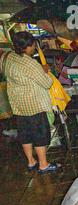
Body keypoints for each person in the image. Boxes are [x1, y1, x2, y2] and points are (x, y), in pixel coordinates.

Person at [3, 31, 59, 174]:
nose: (34, 47)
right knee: (39, 134)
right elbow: (47, 83)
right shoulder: (30, 63)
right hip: (34, 105)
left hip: (18, 105)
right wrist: (45, 71)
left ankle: (31, 161)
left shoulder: (10, 58)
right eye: (33, 45)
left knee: (25, 134)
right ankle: (43, 164)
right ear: (27, 46)